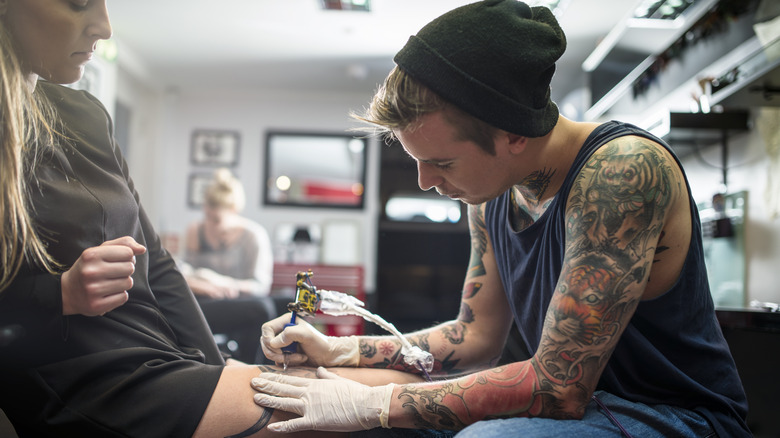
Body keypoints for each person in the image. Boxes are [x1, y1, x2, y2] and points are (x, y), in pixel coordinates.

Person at [254, 1, 751, 437]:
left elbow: (557, 388)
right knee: (319, 406)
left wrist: (372, 404)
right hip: (582, 411)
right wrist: (337, 354)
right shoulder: (491, 194)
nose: (426, 182)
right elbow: (473, 338)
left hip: (674, 417)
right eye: (418, 161)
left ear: (513, 133)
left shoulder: (621, 171)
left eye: (443, 163)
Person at [0, 1, 420, 437]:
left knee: (409, 391)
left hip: (162, 353)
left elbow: (158, 264)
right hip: (89, 377)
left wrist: (211, 367)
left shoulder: (86, 115)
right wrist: (57, 294)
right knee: (389, 415)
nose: (104, 27)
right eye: (77, 3)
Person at [180, 167, 275, 363]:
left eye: (216, 219)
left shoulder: (253, 236)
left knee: (263, 308)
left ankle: (250, 367)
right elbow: (180, 272)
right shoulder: (195, 230)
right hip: (202, 301)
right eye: (206, 215)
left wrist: (223, 283)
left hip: (236, 302)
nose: (209, 223)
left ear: (234, 210)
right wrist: (202, 284)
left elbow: (261, 285)